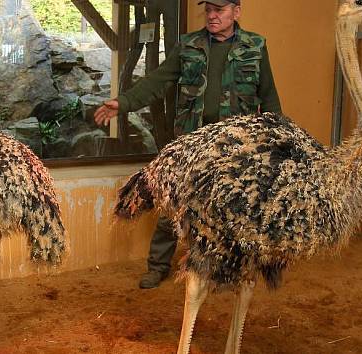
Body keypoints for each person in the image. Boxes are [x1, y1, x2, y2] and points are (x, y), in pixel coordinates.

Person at [94, 0, 282, 289]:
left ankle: (228, 269)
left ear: (236, 11)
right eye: (208, 9)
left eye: (219, 10)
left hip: (234, 147)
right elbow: (157, 81)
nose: (212, 15)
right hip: (191, 143)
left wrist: (277, 139)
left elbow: (268, 97)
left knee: (232, 208)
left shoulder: (255, 47)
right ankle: (158, 266)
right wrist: (123, 102)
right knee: (174, 204)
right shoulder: (189, 45)